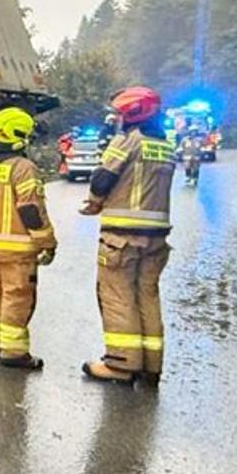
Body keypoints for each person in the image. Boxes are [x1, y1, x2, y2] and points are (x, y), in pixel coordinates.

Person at [78, 86, 177, 386]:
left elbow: (103, 177)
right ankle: (150, 365)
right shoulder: (165, 145)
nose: (117, 119)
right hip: (157, 237)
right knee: (147, 296)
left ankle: (120, 364)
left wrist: (95, 202)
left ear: (132, 114)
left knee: (118, 296)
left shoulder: (127, 141)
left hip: (121, 236)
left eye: (121, 113)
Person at [0, 107, 57, 369]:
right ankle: (14, 352)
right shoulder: (23, 167)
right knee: (17, 297)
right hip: (17, 250)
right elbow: (31, 210)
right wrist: (47, 243)